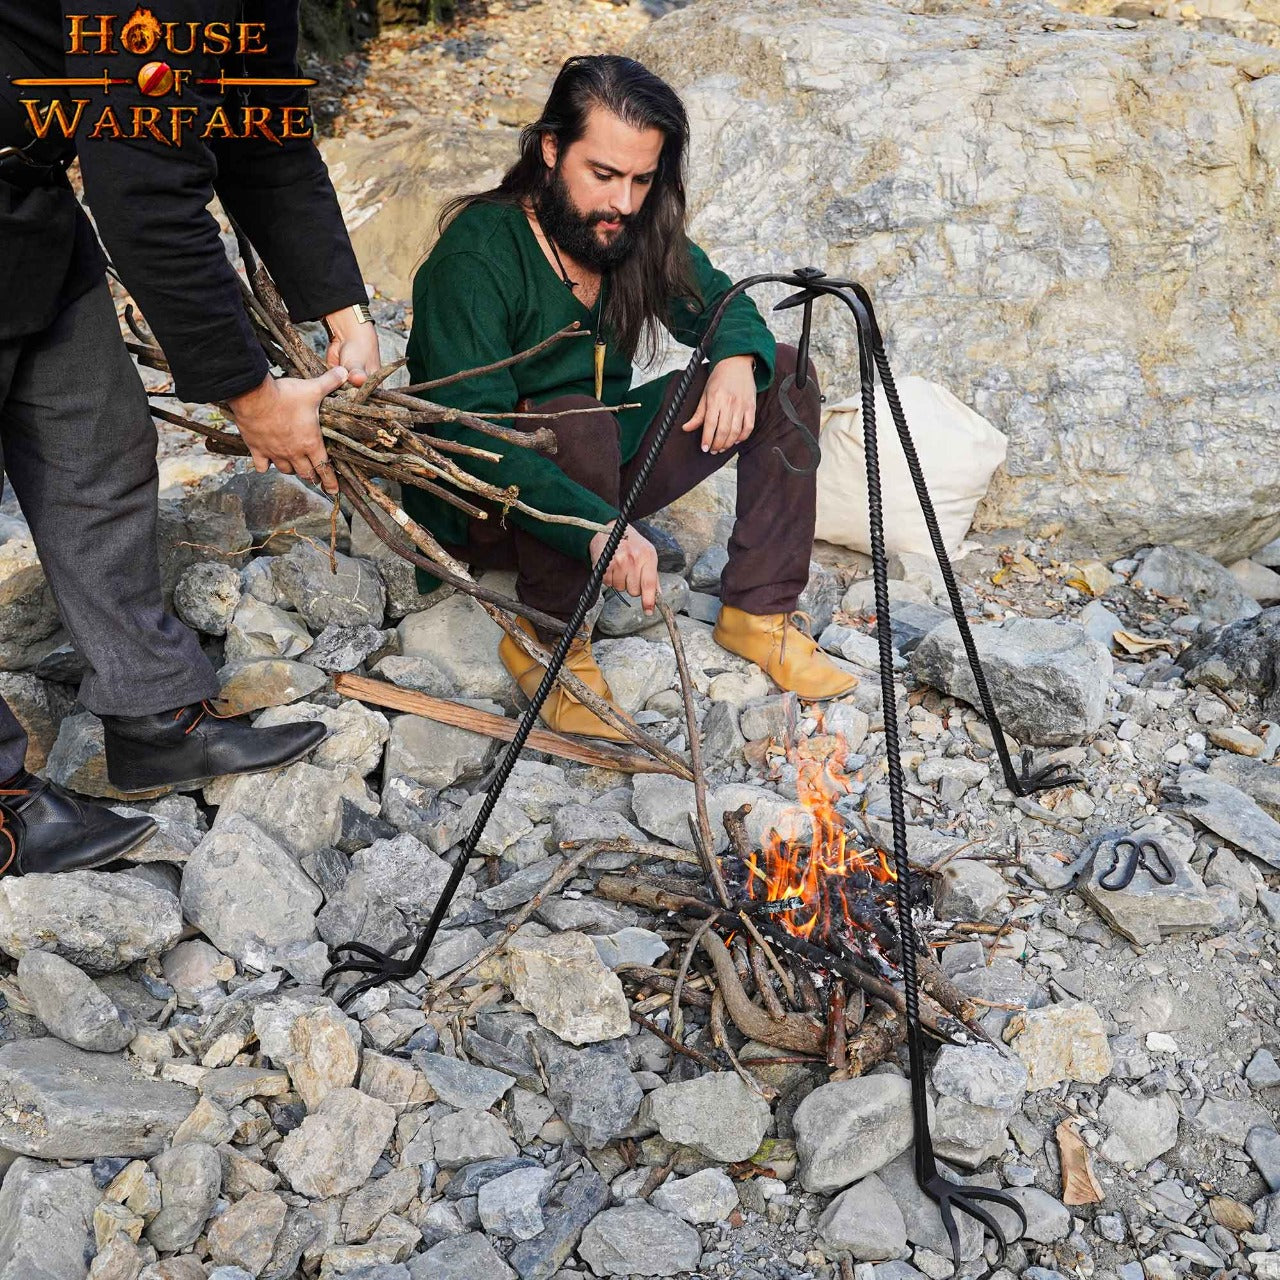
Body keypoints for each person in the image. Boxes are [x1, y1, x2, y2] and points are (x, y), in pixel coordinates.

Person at [0, 1, 380, 875]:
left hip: (27, 192)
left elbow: (264, 127)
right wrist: (250, 394)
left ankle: (154, 716)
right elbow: (144, 197)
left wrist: (342, 307)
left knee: (98, 446)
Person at [404, 53, 854, 740]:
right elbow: (473, 438)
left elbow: (721, 301)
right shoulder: (476, 259)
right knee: (576, 423)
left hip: (602, 470)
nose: (621, 201)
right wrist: (596, 527)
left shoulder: (627, 227)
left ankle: (757, 614)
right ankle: (549, 643)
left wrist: (734, 353)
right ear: (552, 149)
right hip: (488, 501)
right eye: (604, 175)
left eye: (641, 179)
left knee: (783, 373)